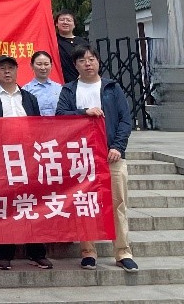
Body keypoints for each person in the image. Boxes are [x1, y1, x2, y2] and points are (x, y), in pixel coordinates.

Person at [56, 45, 138, 272]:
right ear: (75, 65)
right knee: (85, 204)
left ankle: (122, 252)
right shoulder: (69, 90)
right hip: (82, 157)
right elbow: (60, 115)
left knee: (117, 204)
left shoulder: (112, 88)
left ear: (98, 62)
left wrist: (118, 147)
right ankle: (88, 252)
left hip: (111, 156)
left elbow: (125, 120)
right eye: (82, 60)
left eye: (91, 59)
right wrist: (84, 112)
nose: (88, 64)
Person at [0, 56, 53, 270]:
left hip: (27, 157)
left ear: (17, 71)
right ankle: (5, 254)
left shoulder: (29, 97)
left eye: (11, 68)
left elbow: (38, 126)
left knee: (32, 204)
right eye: (2, 68)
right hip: (0, 158)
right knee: (5, 205)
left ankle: (36, 252)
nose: (7, 72)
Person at [22, 50, 63, 116]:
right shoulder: (25, 90)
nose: (43, 68)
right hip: (35, 122)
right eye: (39, 64)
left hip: (58, 122)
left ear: (51, 66)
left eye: (46, 64)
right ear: (32, 65)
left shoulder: (59, 88)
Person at [55, 9, 89, 84]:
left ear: (74, 25)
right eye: (62, 20)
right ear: (56, 23)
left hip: (82, 82)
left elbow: (91, 60)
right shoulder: (53, 41)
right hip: (60, 83)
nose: (65, 22)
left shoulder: (83, 42)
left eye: (69, 20)